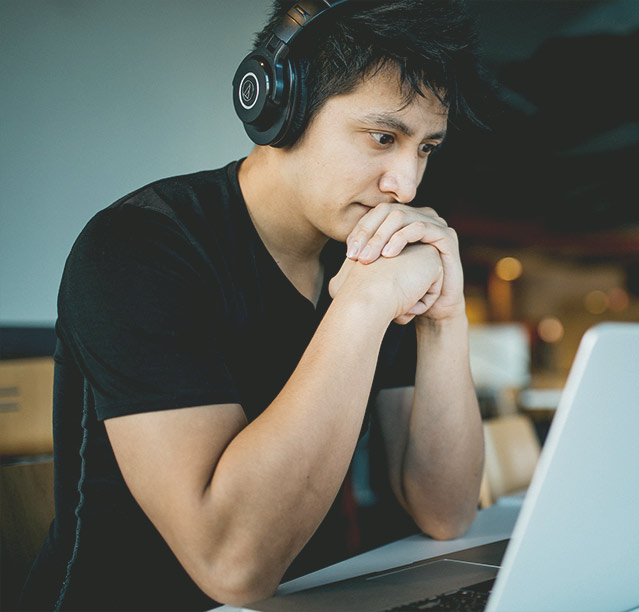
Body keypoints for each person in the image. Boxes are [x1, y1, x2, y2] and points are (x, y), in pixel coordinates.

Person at [20, 1, 486, 609]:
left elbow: (446, 512)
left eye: (426, 147)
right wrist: (363, 307)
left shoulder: (367, 253)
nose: (407, 184)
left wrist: (443, 318)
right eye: (382, 137)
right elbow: (231, 566)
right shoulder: (139, 249)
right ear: (279, 108)